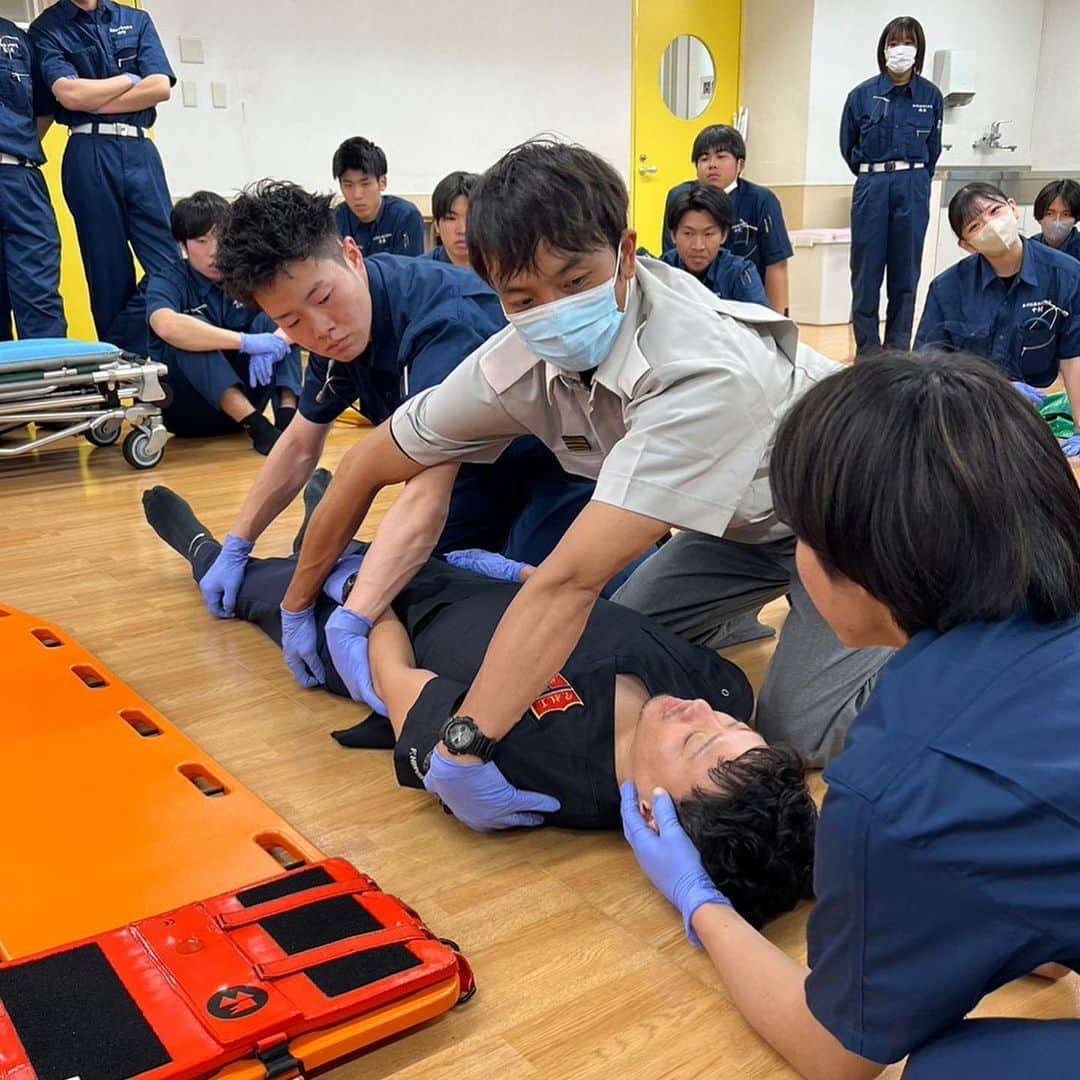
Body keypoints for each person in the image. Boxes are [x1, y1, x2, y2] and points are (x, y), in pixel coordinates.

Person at [275, 138, 890, 836]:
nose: (553, 311)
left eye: (574, 282)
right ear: (493, 288)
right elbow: (363, 466)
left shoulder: (698, 371)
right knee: (610, 642)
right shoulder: (513, 360)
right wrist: (304, 602)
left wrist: (465, 745)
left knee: (795, 729)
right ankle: (751, 611)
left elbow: (566, 584)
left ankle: (935, 631)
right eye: (522, 296)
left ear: (627, 254)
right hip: (744, 526)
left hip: (854, 512)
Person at [619, 351, 1080, 1080]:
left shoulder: (899, 788)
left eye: (799, 537)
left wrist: (698, 897)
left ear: (864, 568)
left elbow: (833, 1052)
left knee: (954, 1069)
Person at [142, 481, 817, 929]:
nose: (703, 714)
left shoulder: (516, 771)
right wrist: (516, 573)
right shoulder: (716, 684)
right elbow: (592, 610)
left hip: (388, 611)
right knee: (353, 532)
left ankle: (208, 548)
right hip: (472, 575)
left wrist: (365, 601)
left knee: (264, 583)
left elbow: (395, 672)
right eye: (732, 727)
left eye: (700, 741)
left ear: (652, 812)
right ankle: (332, 522)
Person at [206, 180, 601, 689]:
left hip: (555, 474)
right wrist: (237, 543)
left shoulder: (442, 325)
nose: (320, 328)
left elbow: (427, 495)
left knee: (543, 611)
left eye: (323, 298)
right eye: (291, 322)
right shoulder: (334, 336)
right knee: (399, 583)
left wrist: (356, 619)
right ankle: (308, 519)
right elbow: (302, 443)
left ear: (351, 255)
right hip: (473, 481)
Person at [29, 0, 179, 357]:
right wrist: (129, 80)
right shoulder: (47, 28)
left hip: (140, 150)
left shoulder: (136, 19)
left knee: (172, 262)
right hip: (87, 151)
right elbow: (69, 94)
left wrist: (92, 101)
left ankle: (131, 347)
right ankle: (126, 371)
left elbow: (159, 86)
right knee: (106, 271)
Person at [915, 182, 1080, 457]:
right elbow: (926, 370)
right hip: (966, 419)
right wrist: (987, 390)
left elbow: (1075, 356)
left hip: (1033, 422)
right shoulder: (947, 289)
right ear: (966, 245)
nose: (991, 225)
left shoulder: (1067, 276)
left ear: (1013, 209)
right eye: (976, 226)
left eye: (995, 211)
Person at [146, 191, 302, 455]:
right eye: (201, 241)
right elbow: (167, 325)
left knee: (275, 320)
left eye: (220, 238)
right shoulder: (169, 279)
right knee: (189, 332)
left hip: (250, 394)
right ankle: (259, 428)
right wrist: (245, 343)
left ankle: (288, 423)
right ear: (183, 245)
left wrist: (278, 340)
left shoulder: (247, 272)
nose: (214, 251)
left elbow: (299, 312)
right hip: (189, 411)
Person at [840, 16, 943, 357]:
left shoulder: (931, 96)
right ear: (883, 49)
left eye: (908, 42)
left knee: (905, 273)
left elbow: (933, 150)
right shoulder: (861, 96)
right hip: (872, 183)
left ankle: (898, 354)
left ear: (919, 49)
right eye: (893, 42)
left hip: (913, 185)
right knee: (866, 273)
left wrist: (911, 181)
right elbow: (848, 146)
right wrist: (875, 175)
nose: (901, 49)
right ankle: (868, 355)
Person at [660, 125, 792, 314]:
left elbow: (776, 264)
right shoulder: (680, 197)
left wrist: (777, 322)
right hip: (691, 302)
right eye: (704, 158)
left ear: (741, 165)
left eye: (721, 157)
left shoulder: (762, 200)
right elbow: (671, 259)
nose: (712, 164)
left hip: (745, 297)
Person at [0, 16, 66, 341]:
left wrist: (17, 148)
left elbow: (44, 108)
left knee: (39, 296)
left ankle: (52, 386)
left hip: (21, 178)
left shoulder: (18, 38)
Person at [660, 184, 768, 306]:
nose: (698, 246)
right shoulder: (662, 271)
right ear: (673, 235)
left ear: (724, 235)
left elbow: (761, 321)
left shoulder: (739, 273)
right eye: (688, 233)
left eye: (708, 234)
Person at [332, 137, 424, 257]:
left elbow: (411, 271)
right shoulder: (333, 222)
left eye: (365, 184)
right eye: (348, 185)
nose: (357, 195)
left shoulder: (406, 217)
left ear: (382, 182)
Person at [422, 171, 479, 269]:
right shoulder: (419, 273)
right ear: (436, 225)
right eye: (451, 218)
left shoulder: (506, 273)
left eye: (471, 218)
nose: (462, 230)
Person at [1030, 178, 1080, 263]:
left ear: (1076, 218)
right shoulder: (1030, 248)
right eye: (1050, 213)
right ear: (1040, 215)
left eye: (1065, 214)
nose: (1057, 222)